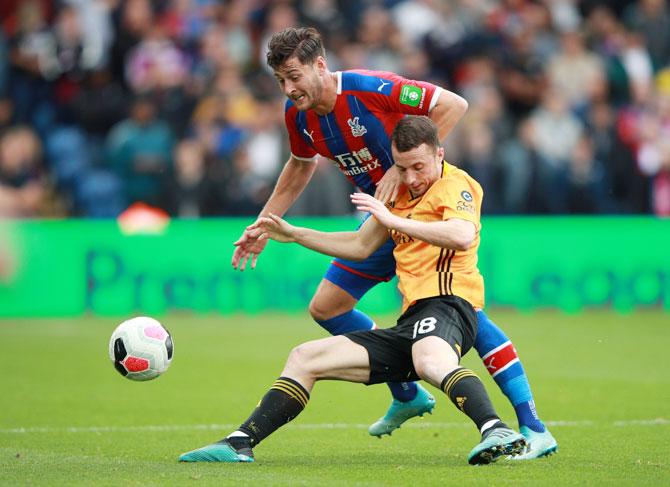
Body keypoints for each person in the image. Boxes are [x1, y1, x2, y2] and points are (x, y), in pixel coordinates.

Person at [232, 27, 556, 458]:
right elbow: (299, 165)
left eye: (294, 76)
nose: (289, 89)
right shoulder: (299, 117)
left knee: (462, 310)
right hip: (378, 225)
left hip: (421, 212)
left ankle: (532, 425)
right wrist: (266, 223)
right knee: (326, 307)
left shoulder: (370, 89)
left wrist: (396, 174)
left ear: (320, 65)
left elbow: (453, 106)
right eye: (280, 81)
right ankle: (406, 392)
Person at [181, 116, 527, 465]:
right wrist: (295, 234)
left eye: (419, 167)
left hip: (450, 307)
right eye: (402, 168)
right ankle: (239, 442)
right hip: (412, 322)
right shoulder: (398, 195)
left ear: (440, 154)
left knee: (431, 361)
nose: (411, 178)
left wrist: (392, 221)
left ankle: (495, 429)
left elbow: (461, 235)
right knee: (305, 357)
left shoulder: (456, 185)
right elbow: (360, 246)